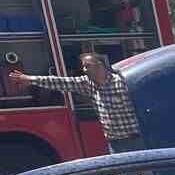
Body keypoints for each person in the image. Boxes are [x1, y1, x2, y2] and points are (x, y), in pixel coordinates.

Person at [7, 52, 144, 152]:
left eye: (87, 66)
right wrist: (29, 79)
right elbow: (60, 82)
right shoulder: (87, 84)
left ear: (99, 65)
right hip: (114, 143)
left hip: (136, 140)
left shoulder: (122, 82)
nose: (84, 70)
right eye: (83, 67)